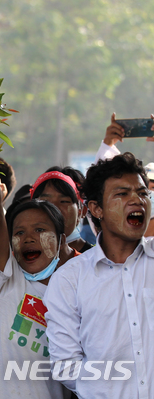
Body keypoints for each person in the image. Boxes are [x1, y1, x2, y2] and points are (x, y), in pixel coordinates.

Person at [0, 107, 71, 399]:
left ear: (61, 240)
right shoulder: (7, 279)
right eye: (19, 232)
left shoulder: (77, 294)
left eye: (40, 230)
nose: (28, 238)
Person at [45, 151, 153, 399]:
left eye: (142, 193)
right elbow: (66, 365)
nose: (137, 200)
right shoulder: (69, 279)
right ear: (96, 208)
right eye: (122, 194)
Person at [31, 169, 93, 254]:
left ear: (80, 212)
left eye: (64, 201)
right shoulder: (21, 259)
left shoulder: (94, 261)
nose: (54, 208)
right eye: (45, 201)